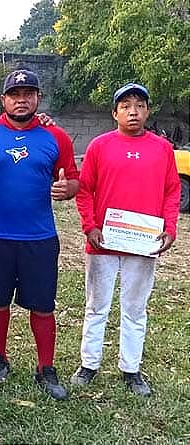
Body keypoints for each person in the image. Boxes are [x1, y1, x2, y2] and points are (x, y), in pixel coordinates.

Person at [0, 69, 80, 401]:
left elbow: (74, 180)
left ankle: (46, 367)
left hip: (38, 237)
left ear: (38, 98)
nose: (21, 99)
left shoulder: (57, 137)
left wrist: (67, 189)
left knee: (42, 306)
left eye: (28, 93)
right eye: (15, 94)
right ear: (3, 100)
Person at [70, 83, 180, 396]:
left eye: (139, 105)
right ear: (114, 112)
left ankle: (131, 368)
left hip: (143, 243)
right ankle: (89, 364)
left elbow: (172, 191)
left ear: (147, 111)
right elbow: (86, 189)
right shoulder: (100, 146)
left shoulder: (161, 148)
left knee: (135, 308)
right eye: (126, 106)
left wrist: (169, 228)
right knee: (96, 305)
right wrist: (90, 226)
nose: (133, 111)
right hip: (103, 242)